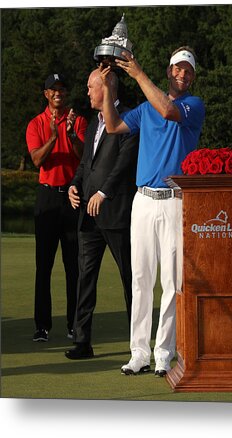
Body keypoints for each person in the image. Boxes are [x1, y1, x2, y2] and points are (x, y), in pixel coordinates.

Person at [100, 46, 205, 376]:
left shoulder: (192, 106)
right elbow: (114, 126)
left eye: (188, 70)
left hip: (176, 201)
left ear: (193, 76)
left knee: (172, 281)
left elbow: (169, 111)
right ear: (169, 70)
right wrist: (108, 90)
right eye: (177, 68)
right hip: (143, 201)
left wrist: (137, 72)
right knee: (141, 278)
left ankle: (164, 352)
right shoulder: (146, 108)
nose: (182, 74)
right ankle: (139, 352)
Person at [64, 68, 139, 360]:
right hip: (88, 215)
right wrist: (74, 185)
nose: (87, 92)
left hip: (118, 212)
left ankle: (139, 344)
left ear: (106, 87)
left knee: (131, 279)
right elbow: (86, 165)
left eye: (90, 86)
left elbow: (123, 164)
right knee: (85, 278)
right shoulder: (94, 124)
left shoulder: (129, 119)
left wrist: (102, 193)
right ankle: (82, 341)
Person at [26, 73, 88, 342]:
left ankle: (74, 325)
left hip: (72, 198)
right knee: (44, 266)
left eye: (62, 88)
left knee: (73, 265)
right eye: (54, 89)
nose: (59, 93)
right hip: (48, 198)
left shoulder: (79, 120)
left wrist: (71, 134)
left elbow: (84, 157)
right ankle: (42, 326)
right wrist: (53, 137)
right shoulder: (36, 124)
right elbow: (37, 160)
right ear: (46, 95)